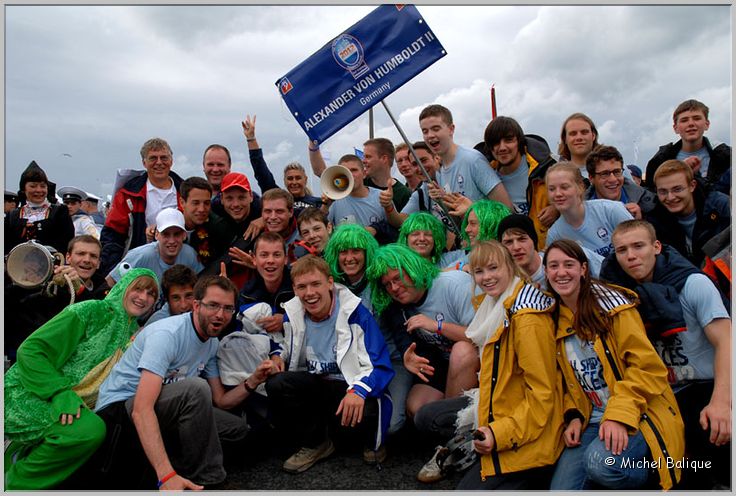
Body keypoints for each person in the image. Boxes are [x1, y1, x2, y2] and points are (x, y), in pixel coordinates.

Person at [95, 275, 259, 490]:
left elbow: (222, 401)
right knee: (196, 389)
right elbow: (141, 410)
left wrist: (254, 380)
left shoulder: (211, 343)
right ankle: (209, 480)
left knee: (237, 430)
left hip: (163, 408)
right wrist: (167, 476)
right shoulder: (167, 334)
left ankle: (174, 465)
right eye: (213, 306)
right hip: (120, 410)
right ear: (196, 305)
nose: (220, 314)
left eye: (228, 308)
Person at [544, 239, 684, 490]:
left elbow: (647, 369)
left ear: (583, 269)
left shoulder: (613, 307)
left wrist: (619, 417)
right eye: (553, 266)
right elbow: (565, 380)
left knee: (600, 463)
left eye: (569, 264)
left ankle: (652, 479)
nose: (561, 272)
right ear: (546, 272)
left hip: (638, 411)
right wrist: (573, 415)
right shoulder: (553, 318)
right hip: (592, 420)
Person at [601, 219, 731, 489]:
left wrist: (721, 403)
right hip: (660, 393)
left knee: (710, 447)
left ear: (656, 247)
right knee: (613, 462)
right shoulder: (618, 295)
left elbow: (727, 342)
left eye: (638, 246)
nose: (631, 256)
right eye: (622, 250)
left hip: (705, 385)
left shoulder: (694, 284)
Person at [4, 269, 159, 490]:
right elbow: (31, 350)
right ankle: (15, 486)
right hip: (29, 392)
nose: (143, 297)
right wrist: (59, 392)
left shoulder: (134, 334)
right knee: (89, 431)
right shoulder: (91, 310)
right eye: (138, 288)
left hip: (73, 406)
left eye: (151, 294)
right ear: (123, 286)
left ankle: (15, 455)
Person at [265, 255, 394, 472]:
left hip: (348, 385)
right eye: (302, 287)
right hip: (319, 385)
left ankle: (369, 441)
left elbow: (380, 366)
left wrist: (357, 391)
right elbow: (284, 343)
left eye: (316, 284)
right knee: (277, 383)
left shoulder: (356, 313)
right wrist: (277, 357)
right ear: (295, 290)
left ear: (330, 283)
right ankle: (317, 443)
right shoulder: (293, 311)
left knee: (371, 401)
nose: (309, 293)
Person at [452, 240, 563, 489]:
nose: (486, 277)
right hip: (503, 406)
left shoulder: (526, 320)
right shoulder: (495, 305)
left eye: (493, 268)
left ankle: (537, 476)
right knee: (429, 417)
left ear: (510, 267)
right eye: (479, 271)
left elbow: (542, 396)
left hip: (532, 431)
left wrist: (498, 433)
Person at [368, 244, 476, 419]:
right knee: (417, 407)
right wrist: (407, 355)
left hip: (479, 363)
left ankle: (455, 429)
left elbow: (483, 336)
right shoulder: (399, 304)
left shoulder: (453, 284)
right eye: (387, 284)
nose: (394, 288)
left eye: (398, 278)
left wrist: (438, 326)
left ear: (413, 269)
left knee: (462, 351)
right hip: (444, 364)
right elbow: (399, 333)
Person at [323, 224, 412, 435]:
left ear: (367, 252)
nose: (349, 257)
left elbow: (399, 325)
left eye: (356, 250)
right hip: (353, 361)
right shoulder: (331, 287)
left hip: (391, 359)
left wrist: (408, 351)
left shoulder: (380, 283)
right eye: (343, 251)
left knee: (391, 425)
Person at [99, 137, 184, 277]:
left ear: (171, 161)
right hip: (139, 264)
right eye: (153, 158)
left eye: (164, 158)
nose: (159, 163)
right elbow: (112, 236)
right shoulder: (128, 194)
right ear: (144, 163)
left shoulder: (185, 191)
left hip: (178, 263)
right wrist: (111, 272)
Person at [479, 115, 558, 246]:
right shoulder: (485, 176)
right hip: (510, 253)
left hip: (548, 250)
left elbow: (581, 186)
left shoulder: (545, 166)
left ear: (519, 142)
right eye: (496, 143)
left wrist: (557, 209)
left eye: (508, 140)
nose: (502, 147)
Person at [418, 104, 512, 209]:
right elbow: (459, 218)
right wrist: (444, 200)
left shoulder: (472, 160)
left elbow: (506, 209)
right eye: (425, 131)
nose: (430, 135)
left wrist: (470, 211)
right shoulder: (441, 171)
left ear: (451, 129)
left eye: (436, 129)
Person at [584, 145, 677, 247]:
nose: (613, 179)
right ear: (591, 178)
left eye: (617, 172)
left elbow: (667, 248)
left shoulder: (650, 203)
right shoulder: (581, 212)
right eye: (605, 174)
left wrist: (642, 223)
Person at [545, 161, 633, 258]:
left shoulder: (611, 210)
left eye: (564, 187)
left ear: (580, 187)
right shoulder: (555, 235)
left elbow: (638, 245)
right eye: (552, 189)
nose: (558, 194)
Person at [652, 159, 730, 267]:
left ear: (692, 186)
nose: (670, 197)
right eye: (663, 191)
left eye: (677, 189)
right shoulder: (655, 219)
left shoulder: (722, 208)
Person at [644, 99, 731, 194]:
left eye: (697, 118)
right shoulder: (661, 159)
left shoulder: (726, 157)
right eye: (684, 120)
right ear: (675, 128)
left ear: (707, 124)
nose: (691, 124)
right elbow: (651, 193)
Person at [106, 208, 203, 287]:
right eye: (166, 234)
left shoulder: (190, 255)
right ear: (157, 235)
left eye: (177, 234)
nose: (172, 240)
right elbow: (110, 282)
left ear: (184, 235)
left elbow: (200, 284)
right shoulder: (140, 256)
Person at [5, 160, 75, 255]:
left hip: (51, 266)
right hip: (17, 267)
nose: (38, 190)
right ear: (24, 189)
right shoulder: (13, 216)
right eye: (33, 186)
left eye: (43, 186)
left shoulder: (59, 212)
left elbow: (67, 243)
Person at [238, 232, 294, 339]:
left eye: (277, 255)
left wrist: (286, 319)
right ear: (254, 259)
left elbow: (313, 313)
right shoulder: (246, 293)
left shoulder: (298, 284)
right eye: (264, 255)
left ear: (286, 259)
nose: (270, 261)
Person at [178, 176, 231, 271]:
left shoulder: (218, 227)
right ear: (182, 202)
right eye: (195, 203)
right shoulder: (170, 225)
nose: (202, 209)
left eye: (206, 203)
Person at [323, 154, 387, 229]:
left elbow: (392, 227)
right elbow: (321, 226)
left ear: (364, 174)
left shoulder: (381, 196)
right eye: (345, 171)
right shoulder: (334, 199)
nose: (350, 175)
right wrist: (325, 206)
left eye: (354, 170)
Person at [398, 212, 464, 268]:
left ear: (436, 239)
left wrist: (466, 212)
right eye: (415, 234)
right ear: (406, 238)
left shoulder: (448, 259)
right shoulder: (397, 263)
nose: (422, 238)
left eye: (428, 234)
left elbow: (473, 255)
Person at [497, 214, 546, 288]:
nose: (516, 247)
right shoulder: (500, 279)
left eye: (522, 239)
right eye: (509, 242)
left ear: (534, 241)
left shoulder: (555, 266)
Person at [362, 137, 411, 211]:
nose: (363, 161)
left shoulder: (404, 194)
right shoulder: (360, 185)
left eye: (368, 157)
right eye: (364, 157)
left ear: (384, 159)